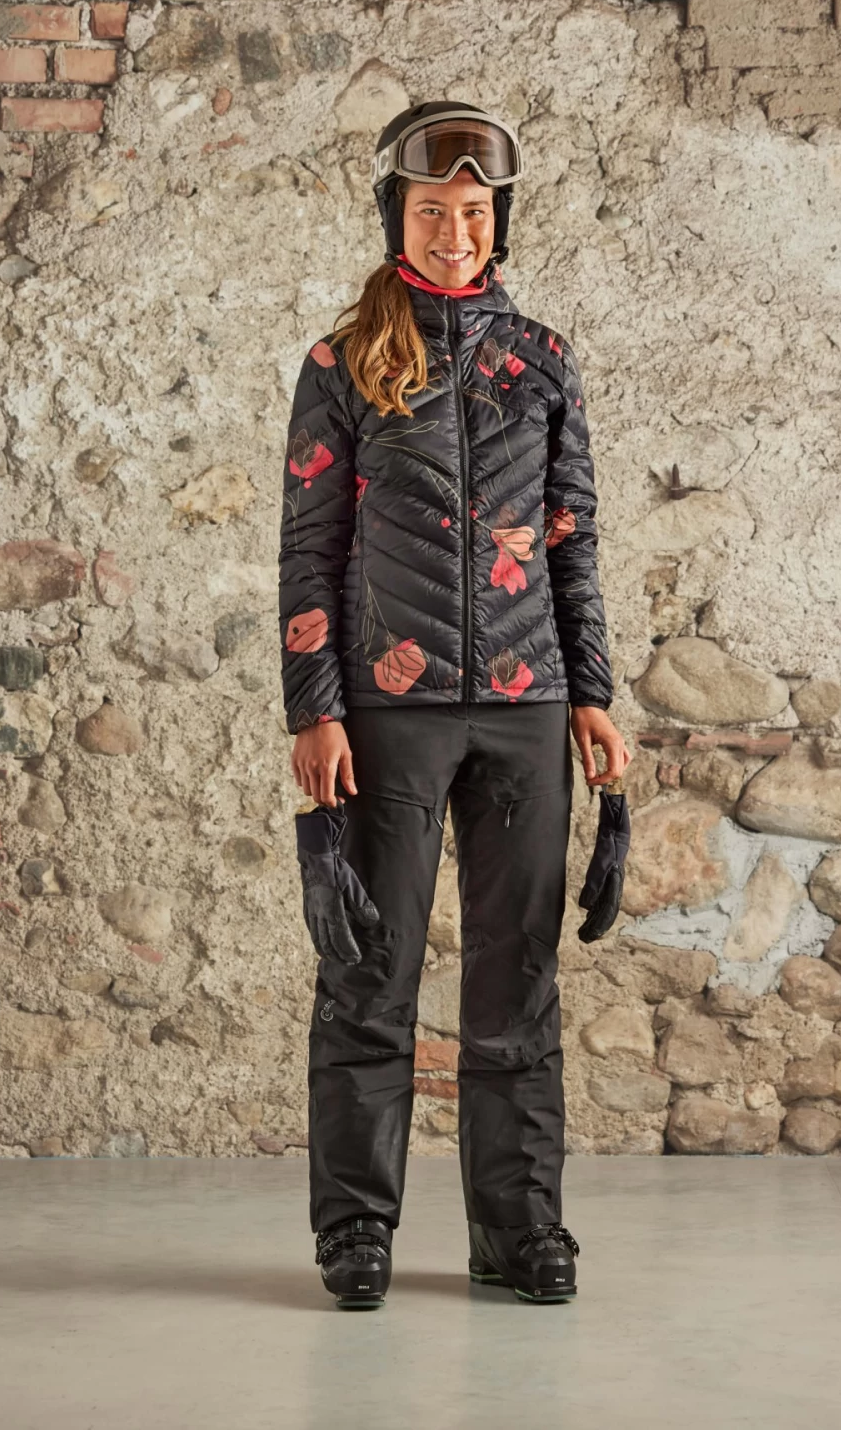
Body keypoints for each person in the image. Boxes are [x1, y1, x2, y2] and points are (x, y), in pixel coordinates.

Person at [278, 102, 630, 1308]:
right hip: (392, 710)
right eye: (432, 210)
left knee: (516, 981)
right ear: (398, 217)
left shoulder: (544, 359)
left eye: (474, 212)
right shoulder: (344, 365)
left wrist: (592, 693)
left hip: (529, 708)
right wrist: (314, 707)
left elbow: (573, 538)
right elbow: (310, 548)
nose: (454, 231)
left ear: (498, 220)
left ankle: (520, 1234)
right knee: (368, 975)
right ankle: (355, 1232)